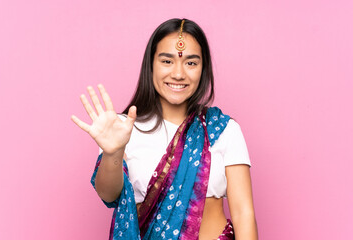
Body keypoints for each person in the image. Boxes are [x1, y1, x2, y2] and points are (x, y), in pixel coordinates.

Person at [71, 18, 258, 240]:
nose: (178, 74)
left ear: (203, 69)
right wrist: (113, 152)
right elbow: (108, 194)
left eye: (191, 63)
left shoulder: (223, 129)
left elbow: (244, 214)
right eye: (167, 61)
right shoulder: (123, 128)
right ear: (151, 65)